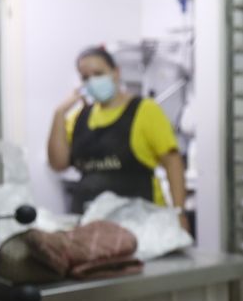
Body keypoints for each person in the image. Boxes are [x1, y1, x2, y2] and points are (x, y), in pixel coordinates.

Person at [46, 45, 188, 225]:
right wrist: (59, 113)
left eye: (98, 74)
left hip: (141, 222)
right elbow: (58, 164)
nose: (92, 81)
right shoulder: (78, 117)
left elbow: (172, 162)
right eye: (85, 77)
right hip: (90, 222)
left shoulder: (145, 111)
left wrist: (179, 212)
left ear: (115, 73)